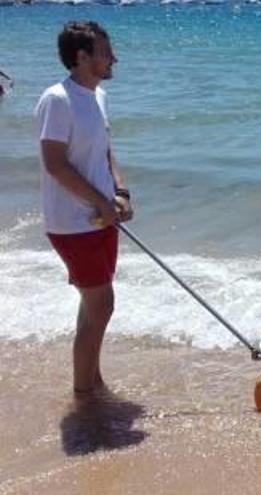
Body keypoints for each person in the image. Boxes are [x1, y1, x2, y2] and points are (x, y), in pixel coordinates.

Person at [34, 21, 133, 396]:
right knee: (102, 303)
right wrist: (99, 202)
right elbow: (55, 163)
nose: (114, 59)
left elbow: (106, 151)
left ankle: (92, 380)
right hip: (72, 223)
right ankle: (84, 394)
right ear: (82, 57)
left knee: (94, 305)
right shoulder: (58, 100)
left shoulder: (98, 96)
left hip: (99, 217)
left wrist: (120, 192)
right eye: (106, 52)